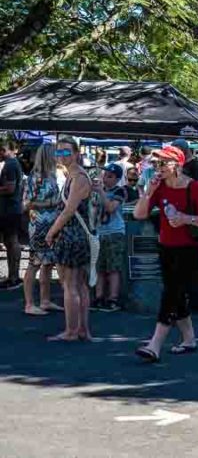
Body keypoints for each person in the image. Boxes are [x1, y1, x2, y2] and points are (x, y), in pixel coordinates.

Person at [132, 145, 198, 363]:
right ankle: (189, 339)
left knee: (171, 293)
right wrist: (148, 192)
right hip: (165, 247)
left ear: (177, 165)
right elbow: (139, 214)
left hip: (188, 248)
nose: (158, 167)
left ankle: (155, 344)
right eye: (156, 163)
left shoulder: (193, 187)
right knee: (176, 295)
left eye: (163, 163)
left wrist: (186, 218)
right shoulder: (158, 186)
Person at [45, 136, 93, 342]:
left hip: (72, 236)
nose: (62, 156)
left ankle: (72, 331)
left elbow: (68, 211)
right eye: (59, 152)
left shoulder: (79, 177)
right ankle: (81, 329)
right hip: (73, 235)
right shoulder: (73, 175)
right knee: (78, 285)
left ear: (76, 154)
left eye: (66, 152)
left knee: (71, 285)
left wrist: (50, 232)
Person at [22, 143, 61, 315]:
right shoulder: (37, 177)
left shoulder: (50, 175)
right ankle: (29, 303)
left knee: (48, 263)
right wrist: (52, 203)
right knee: (35, 263)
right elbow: (27, 203)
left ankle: (45, 300)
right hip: (40, 225)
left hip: (50, 225)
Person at [91, 164, 127, 312]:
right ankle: (99, 296)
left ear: (117, 179)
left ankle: (113, 298)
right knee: (99, 267)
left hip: (114, 233)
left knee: (113, 268)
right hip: (100, 232)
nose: (106, 179)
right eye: (105, 175)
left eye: (110, 176)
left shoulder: (119, 190)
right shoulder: (99, 191)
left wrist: (100, 192)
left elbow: (110, 207)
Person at [0, 139, 24, 290]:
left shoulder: (10, 164)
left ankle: (14, 277)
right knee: (10, 242)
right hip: (11, 209)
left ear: (4, 149)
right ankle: (12, 276)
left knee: (12, 242)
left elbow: (10, 188)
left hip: (10, 210)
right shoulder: (13, 163)